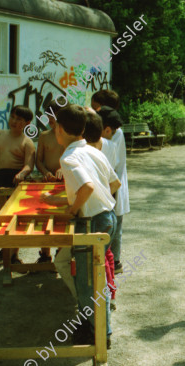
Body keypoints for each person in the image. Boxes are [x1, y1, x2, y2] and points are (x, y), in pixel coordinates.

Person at [40, 104, 120, 348]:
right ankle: (97, 327)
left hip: (92, 222)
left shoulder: (69, 157)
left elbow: (87, 187)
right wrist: (67, 199)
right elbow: (113, 184)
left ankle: (100, 334)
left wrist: (73, 209)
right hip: (107, 217)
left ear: (59, 130)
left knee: (89, 284)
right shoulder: (94, 151)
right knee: (94, 279)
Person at [0, 105, 35, 265]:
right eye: (12, 117)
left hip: (16, 181)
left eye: (19, 119)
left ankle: (12, 254)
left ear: (27, 123)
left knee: (16, 219)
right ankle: (5, 251)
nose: (14, 121)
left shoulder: (27, 142)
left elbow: (29, 165)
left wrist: (21, 174)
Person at [91, 91, 130, 274]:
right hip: (110, 182)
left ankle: (114, 261)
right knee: (111, 223)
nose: (93, 112)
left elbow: (111, 165)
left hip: (111, 182)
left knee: (113, 224)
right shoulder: (107, 132)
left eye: (95, 108)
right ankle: (110, 261)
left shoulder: (112, 134)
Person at [83, 109, 118, 310]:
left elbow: (91, 186)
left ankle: (104, 301)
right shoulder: (104, 148)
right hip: (109, 208)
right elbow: (114, 182)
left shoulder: (87, 154)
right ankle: (110, 293)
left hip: (99, 213)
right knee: (107, 255)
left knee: (100, 259)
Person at [35, 100, 66, 264]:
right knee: (43, 217)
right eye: (48, 116)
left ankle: (60, 253)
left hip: (64, 182)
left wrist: (63, 169)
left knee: (61, 218)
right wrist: (45, 172)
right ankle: (44, 253)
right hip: (47, 181)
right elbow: (38, 160)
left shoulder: (67, 136)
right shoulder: (44, 135)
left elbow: (72, 157)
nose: (50, 119)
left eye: (53, 116)